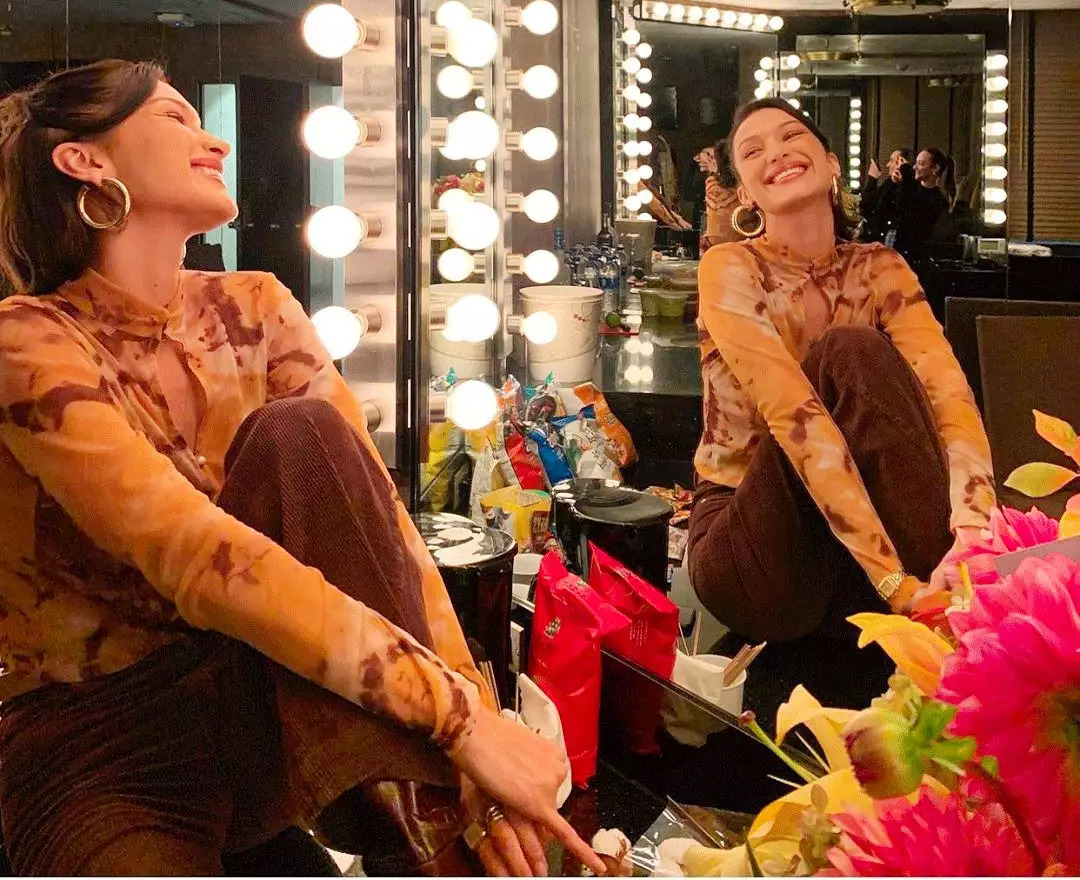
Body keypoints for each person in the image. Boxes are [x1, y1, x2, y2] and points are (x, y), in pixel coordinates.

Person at [0, 61, 604, 878]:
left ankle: (426, 832)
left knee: (303, 433)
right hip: (102, 744)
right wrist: (457, 721)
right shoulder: (27, 341)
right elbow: (194, 555)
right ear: (85, 161)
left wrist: (479, 740)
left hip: (254, 714)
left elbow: (384, 531)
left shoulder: (254, 305)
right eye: (175, 118)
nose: (214, 141)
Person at [687, 99, 996, 712]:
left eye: (791, 136)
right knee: (848, 352)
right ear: (746, 192)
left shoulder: (881, 267)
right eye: (753, 151)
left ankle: (957, 590)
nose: (776, 153)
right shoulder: (729, 267)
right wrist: (895, 582)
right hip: (754, 547)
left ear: (831, 162)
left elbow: (947, 395)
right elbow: (795, 416)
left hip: (853, 562)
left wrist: (974, 529)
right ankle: (949, 615)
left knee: (891, 375)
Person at [893, 147, 953, 272]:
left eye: (920, 163)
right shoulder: (910, 188)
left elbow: (910, 220)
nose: (915, 167)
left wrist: (906, 178)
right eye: (915, 163)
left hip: (916, 263)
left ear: (935, 169)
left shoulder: (938, 201)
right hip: (897, 257)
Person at [859, 148, 913, 244]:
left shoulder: (909, 190)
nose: (888, 165)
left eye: (892, 161)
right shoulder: (889, 183)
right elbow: (866, 204)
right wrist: (872, 179)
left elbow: (879, 213)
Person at [695, 144, 742, 254]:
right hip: (740, 241)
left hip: (719, 245)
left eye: (713, 158)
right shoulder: (744, 184)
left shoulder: (712, 182)